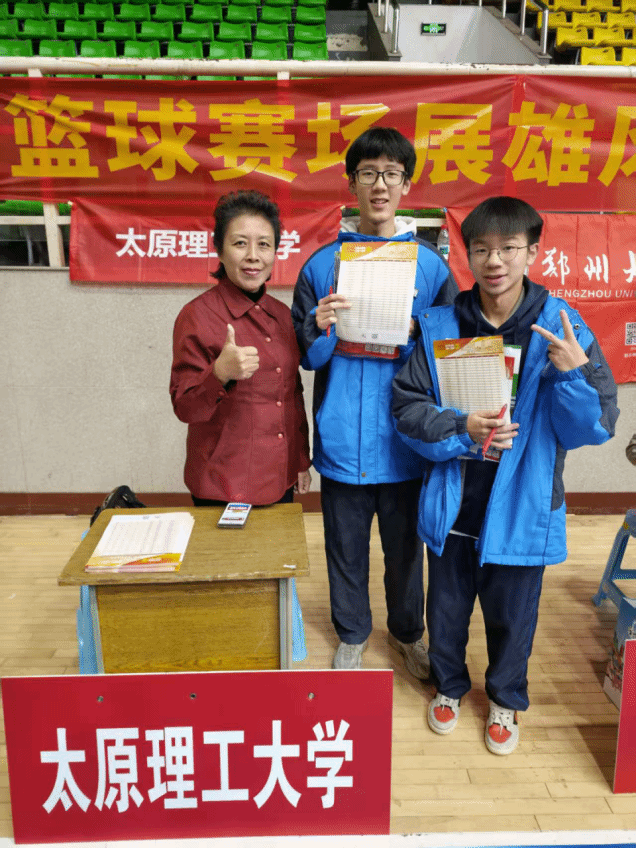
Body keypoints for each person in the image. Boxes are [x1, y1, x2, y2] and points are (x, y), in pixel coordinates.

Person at [392, 196, 619, 754]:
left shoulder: (561, 326)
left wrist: (571, 376)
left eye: (508, 248)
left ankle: (505, 698)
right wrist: (461, 427)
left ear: (532, 252)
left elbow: (596, 427)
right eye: (481, 249)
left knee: (513, 617)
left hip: (523, 501)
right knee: (445, 612)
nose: (494, 261)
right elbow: (406, 410)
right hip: (454, 498)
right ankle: (448, 686)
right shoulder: (442, 324)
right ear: (466, 254)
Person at [291, 127, 457, 673]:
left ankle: (408, 633)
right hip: (342, 439)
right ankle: (353, 633)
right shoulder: (321, 265)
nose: (379, 185)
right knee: (344, 548)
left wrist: (420, 331)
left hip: (405, 442)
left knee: (406, 551)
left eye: (391, 174)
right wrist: (320, 326)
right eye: (368, 173)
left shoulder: (431, 268)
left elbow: (451, 351)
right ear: (351, 183)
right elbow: (307, 357)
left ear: (406, 185)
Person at [170, 190, 311, 507]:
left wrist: (301, 459)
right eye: (240, 243)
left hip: (280, 475)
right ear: (219, 250)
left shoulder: (282, 315)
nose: (253, 256)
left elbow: (292, 395)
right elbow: (185, 408)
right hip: (222, 482)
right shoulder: (197, 316)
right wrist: (219, 373)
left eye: (264, 244)